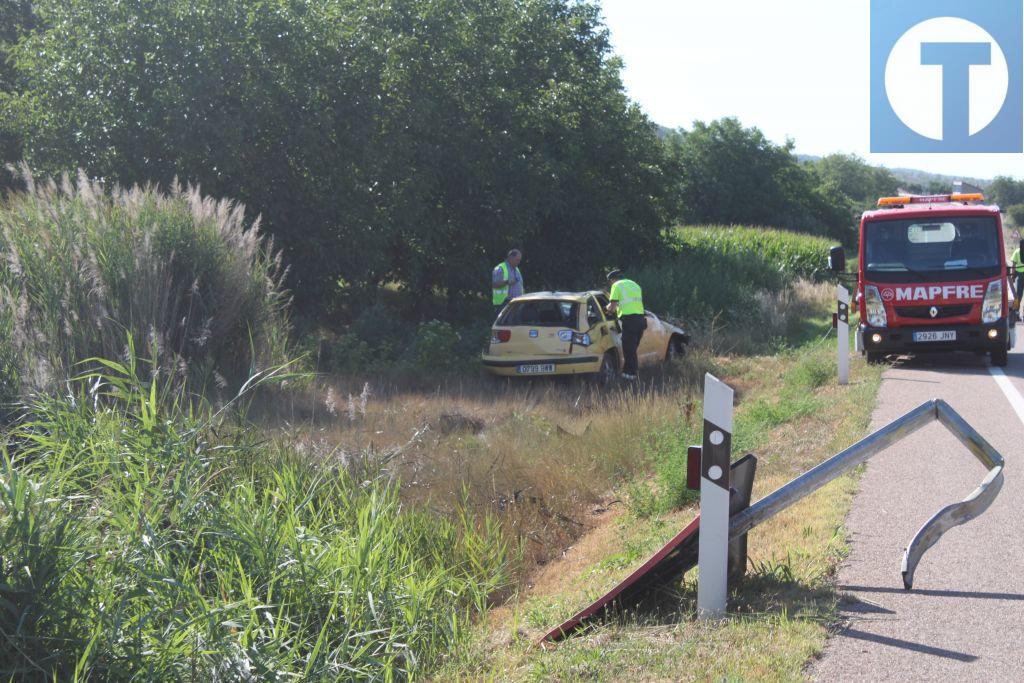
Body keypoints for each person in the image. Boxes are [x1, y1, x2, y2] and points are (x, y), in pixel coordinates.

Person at [606, 269, 646, 381]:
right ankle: (630, 374)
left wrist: (606, 309)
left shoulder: (616, 285)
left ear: (612, 280)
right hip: (641, 320)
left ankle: (630, 376)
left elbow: (612, 306)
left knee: (628, 349)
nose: (610, 284)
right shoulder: (635, 285)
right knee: (632, 349)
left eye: (609, 282)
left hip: (630, 320)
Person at [492, 249, 524, 318]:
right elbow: (494, 284)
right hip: (504, 304)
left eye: (519, 260)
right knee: (504, 327)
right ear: (510, 258)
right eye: (517, 260)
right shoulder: (500, 268)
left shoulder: (517, 269)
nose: (519, 262)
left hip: (517, 303)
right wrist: (507, 282)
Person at [1012, 242, 1024, 311]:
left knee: (1018, 294)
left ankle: (1016, 311)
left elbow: (1013, 266)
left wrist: (1013, 276)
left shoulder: (1017, 251)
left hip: (1020, 275)